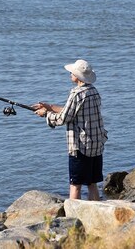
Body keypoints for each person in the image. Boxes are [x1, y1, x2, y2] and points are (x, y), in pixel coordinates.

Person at [33, 59, 108, 200]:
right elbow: (75, 113)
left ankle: (72, 219)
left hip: (81, 146)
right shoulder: (94, 91)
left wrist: (46, 114)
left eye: (72, 72)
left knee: (75, 184)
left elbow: (63, 119)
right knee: (92, 183)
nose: (70, 73)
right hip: (96, 143)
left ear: (78, 76)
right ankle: (95, 209)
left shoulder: (76, 93)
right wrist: (50, 107)